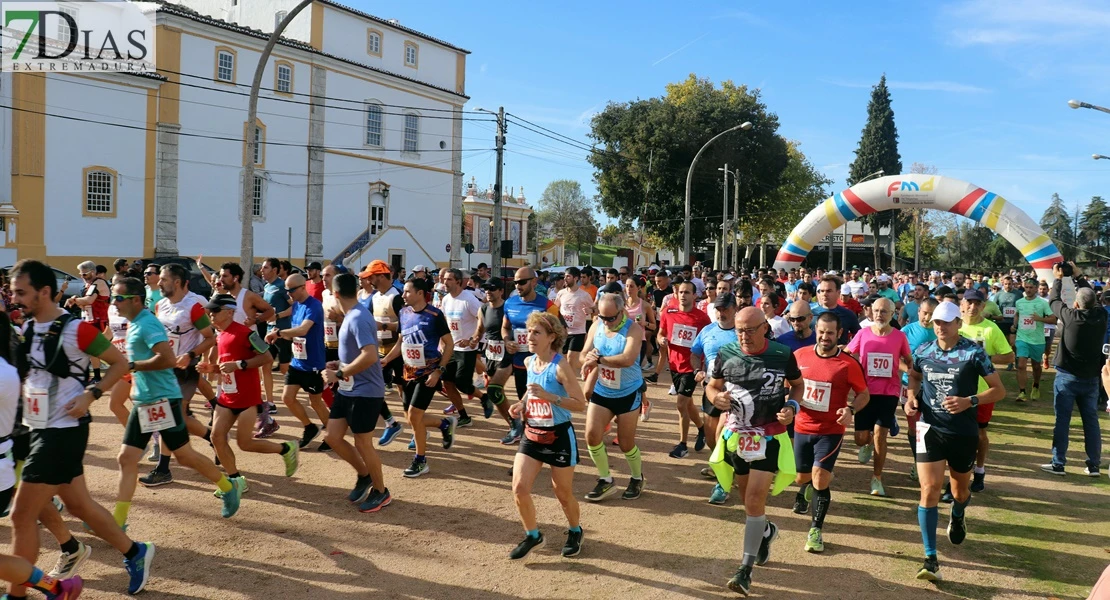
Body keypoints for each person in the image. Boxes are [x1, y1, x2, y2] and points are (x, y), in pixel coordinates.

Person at [8, 261, 155, 597]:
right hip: (36, 428)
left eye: (21, 292)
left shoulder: (77, 329)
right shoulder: (28, 328)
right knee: (79, 506)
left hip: (64, 430)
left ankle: (17, 594)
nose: (15, 298)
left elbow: (118, 364)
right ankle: (136, 552)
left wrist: (92, 394)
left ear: (44, 292)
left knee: (21, 515)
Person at [706, 306, 803, 596]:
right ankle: (766, 531)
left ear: (764, 328)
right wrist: (717, 398)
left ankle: (744, 571)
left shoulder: (782, 354)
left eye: (750, 329)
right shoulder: (726, 353)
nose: (744, 335)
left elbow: (797, 386)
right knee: (748, 500)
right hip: (737, 435)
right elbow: (712, 387)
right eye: (739, 330)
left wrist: (791, 407)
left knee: (754, 497)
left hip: (770, 434)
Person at [906, 300, 1005, 581]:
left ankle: (958, 513)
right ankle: (930, 557)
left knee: (960, 491)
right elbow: (913, 378)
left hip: (962, 432)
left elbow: (999, 391)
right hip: (929, 429)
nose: (940, 327)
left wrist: (969, 401)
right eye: (937, 322)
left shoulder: (974, 353)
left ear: (958, 324)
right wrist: (911, 398)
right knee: (929, 489)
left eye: (946, 322)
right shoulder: (923, 350)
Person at [198, 294, 298, 495]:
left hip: (247, 398)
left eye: (215, 312)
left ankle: (286, 449)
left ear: (229, 312)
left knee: (245, 443)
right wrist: (214, 369)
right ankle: (236, 480)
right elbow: (229, 366)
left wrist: (240, 364)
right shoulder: (221, 335)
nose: (211, 316)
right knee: (217, 437)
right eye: (209, 312)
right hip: (227, 397)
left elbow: (267, 357)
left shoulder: (244, 333)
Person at [507, 311, 587, 560]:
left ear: (552, 337)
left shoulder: (560, 366)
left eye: (536, 332)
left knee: (562, 493)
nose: (529, 336)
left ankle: (575, 530)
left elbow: (580, 403)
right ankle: (533, 535)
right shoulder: (530, 362)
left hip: (559, 436)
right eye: (529, 332)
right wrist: (522, 404)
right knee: (519, 487)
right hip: (532, 433)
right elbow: (532, 392)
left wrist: (550, 397)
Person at [792, 312, 869, 553]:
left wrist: (850, 410)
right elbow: (789, 387)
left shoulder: (848, 363)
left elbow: (863, 394)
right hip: (802, 426)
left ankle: (815, 530)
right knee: (802, 478)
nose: (825, 337)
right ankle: (805, 488)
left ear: (839, 334)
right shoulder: (799, 356)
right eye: (821, 332)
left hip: (831, 430)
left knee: (820, 478)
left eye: (830, 333)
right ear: (816, 331)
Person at [321, 273, 391, 513]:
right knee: (332, 436)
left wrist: (340, 374)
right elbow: (356, 355)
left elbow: (370, 355)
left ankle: (382, 492)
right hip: (350, 388)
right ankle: (364, 475)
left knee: (363, 442)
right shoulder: (351, 316)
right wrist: (339, 366)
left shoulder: (359, 317)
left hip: (366, 391)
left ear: (336, 293)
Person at [381, 278, 458, 478]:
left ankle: (420, 460)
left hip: (428, 373)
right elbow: (401, 341)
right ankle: (444, 424)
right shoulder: (404, 313)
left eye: (407, 291)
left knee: (414, 416)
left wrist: (439, 371)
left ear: (420, 293)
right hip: (408, 372)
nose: (403, 295)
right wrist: (386, 360)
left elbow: (449, 344)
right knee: (410, 418)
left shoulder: (435, 315)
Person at [580, 292, 646, 502]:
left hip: (627, 391)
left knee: (626, 443)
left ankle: (637, 477)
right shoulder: (596, 325)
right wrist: (589, 358)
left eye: (611, 318)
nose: (606, 322)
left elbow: (627, 359)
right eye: (602, 317)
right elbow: (582, 354)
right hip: (603, 390)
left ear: (622, 311)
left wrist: (599, 359)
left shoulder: (633, 329)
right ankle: (605, 480)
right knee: (591, 436)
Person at [1041, 263, 1106, 476]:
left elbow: (1053, 300)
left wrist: (1059, 278)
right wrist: (1078, 277)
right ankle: (1093, 464)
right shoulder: (1101, 317)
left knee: (1063, 421)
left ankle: (1058, 463)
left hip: (1068, 378)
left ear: (1076, 304)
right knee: (1091, 422)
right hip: (1090, 379)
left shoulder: (1070, 317)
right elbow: (1092, 298)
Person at [846, 297, 911, 498]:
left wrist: (913, 375)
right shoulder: (863, 333)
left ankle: (877, 478)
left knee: (880, 435)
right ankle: (865, 444)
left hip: (889, 392)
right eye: (876, 311)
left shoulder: (899, 337)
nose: (879, 315)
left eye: (884, 311)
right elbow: (848, 354)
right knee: (860, 439)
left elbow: (908, 361)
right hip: (864, 392)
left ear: (892, 314)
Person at [955, 289, 1013, 495]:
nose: (972, 307)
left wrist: (985, 357)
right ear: (961, 305)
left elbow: (1008, 356)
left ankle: (979, 470)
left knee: (979, 435)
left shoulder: (991, 329)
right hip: (953, 390)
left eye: (977, 303)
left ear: (983, 306)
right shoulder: (953, 325)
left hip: (982, 392)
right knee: (953, 437)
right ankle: (954, 479)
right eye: (968, 302)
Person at [266, 273, 330, 450]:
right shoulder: (296, 306)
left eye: (291, 290)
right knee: (287, 397)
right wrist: (280, 333)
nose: (289, 294)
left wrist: (279, 333)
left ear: (303, 287)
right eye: (287, 290)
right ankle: (309, 427)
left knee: (315, 402)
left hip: (313, 364)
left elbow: (302, 330)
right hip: (298, 362)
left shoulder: (315, 306)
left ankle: (332, 435)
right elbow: (295, 332)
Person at [690, 292, 739, 504]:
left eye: (726, 308)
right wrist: (696, 371)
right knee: (711, 438)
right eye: (718, 309)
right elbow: (694, 354)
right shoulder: (707, 331)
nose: (722, 313)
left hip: (734, 393)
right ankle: (725, 466)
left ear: (735, 308)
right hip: (710, 389)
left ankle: (723, 483)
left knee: (721, 436)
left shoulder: (742, 332)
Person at [658, 280, 710, 458]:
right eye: (681, 292)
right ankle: (702, 428)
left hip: (691, 367)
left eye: (687, 292)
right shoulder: (668, 312)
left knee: (681, 402)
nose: (683, 295)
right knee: (687, 402)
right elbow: (661, 333)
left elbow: (707, 339)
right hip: (674, 364)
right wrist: (661, 340)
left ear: (695, 295)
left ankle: (682, 445)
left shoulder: (702, 318)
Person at [471, 277, 521, 444]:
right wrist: (471, 340)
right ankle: (514, 425)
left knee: (493, 390)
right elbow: (479, 331)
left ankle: (515, 425)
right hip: (491, 355)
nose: (488, 292)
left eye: (492, 289)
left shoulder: (509, 308)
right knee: (497, 393)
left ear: (501, 291)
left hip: (507, 354)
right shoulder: (483, 309)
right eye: (486, 289)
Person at [438, 268, 483, 427]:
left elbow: (481, 319)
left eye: (449, 279)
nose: (445, 282)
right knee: (447, 383)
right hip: (451, 347)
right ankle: (464, 416)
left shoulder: (468, 299)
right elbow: (444, 322)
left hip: (467, 349)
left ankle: (484, 398)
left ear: (458, 281)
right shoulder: (445, 299)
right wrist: (442, 342)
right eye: (444, 279)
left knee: (462, 383)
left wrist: (472, 339)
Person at [1013, 278, 1054, 402]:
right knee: (1021, 365)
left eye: (1031, 287)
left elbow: (1053, 319)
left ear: (1036, 288)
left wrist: (1039, 319)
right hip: (1022, 338)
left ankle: (1035, 386)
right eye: (1026, 287)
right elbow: (1017, 314)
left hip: (1037, 340)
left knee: (1036, 366)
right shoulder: (1019, 302)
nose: (1029, 290)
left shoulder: (1043, 303)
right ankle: (1022, 392)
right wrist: (1015, 325)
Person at [553, 267, 593, 375]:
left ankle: (570, 383)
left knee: (571, 357)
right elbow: (555, 309)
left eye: (568, 277)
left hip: (578, 331)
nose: (565, 279)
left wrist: (590, 310)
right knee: (564, 358)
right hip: (564, 331)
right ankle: (568, 381)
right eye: (565, 276)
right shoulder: (561, 293)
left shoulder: (584, 295)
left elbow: (595, 308)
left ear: (575, 278)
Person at [813, 275, 861, 345]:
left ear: (838, 293)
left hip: (839, 355)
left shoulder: (848, 315)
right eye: (822, 291)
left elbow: (860, 337)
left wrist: (848, 348)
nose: (824, 294)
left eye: (829, 291)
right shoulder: (811, 314)